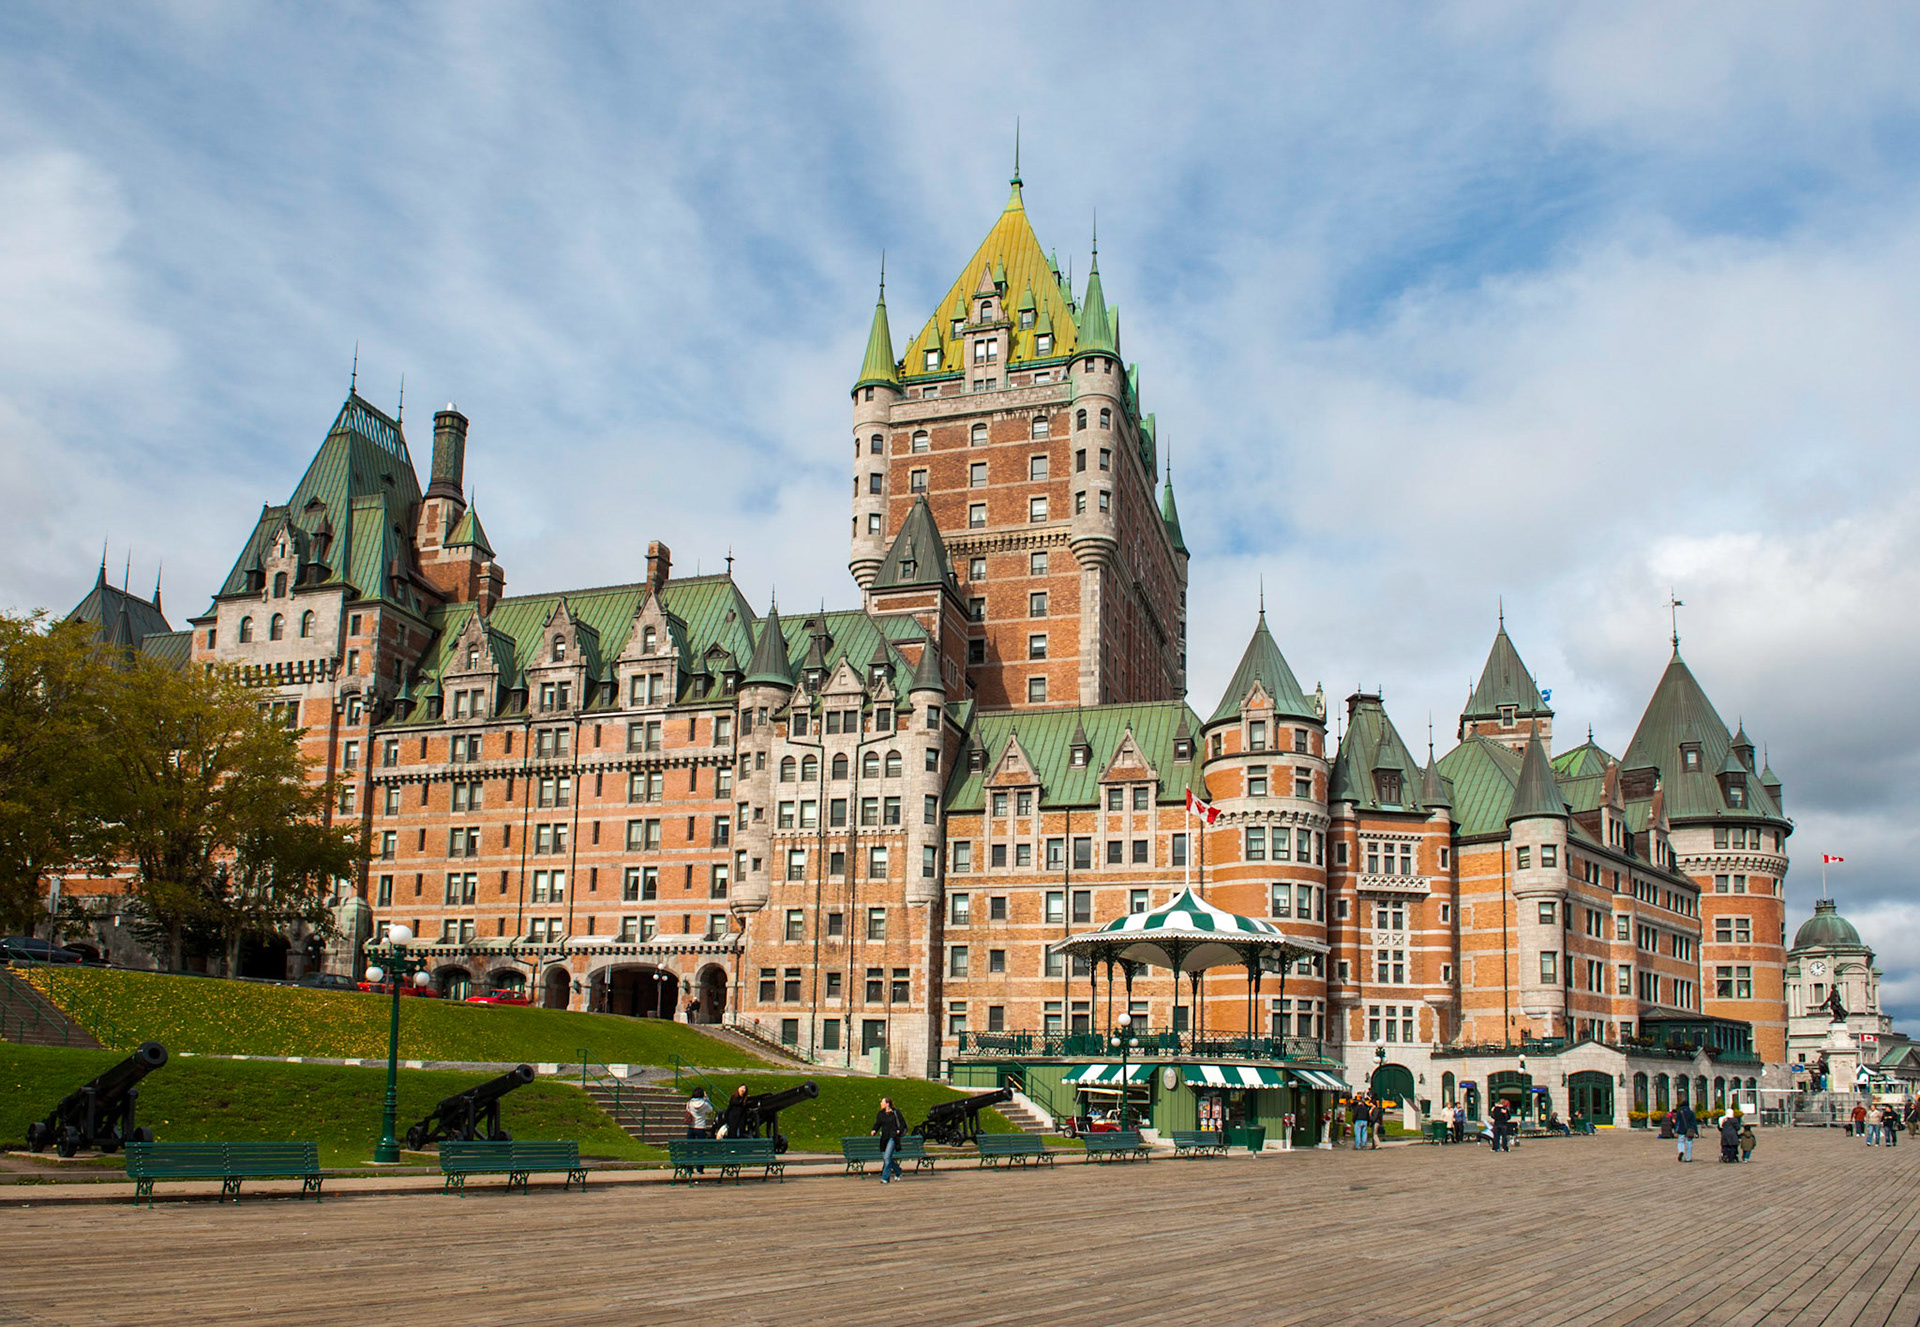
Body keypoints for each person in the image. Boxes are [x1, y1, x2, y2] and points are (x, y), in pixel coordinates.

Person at [872, 1096, 908, 1183]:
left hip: (893, 1137)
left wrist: (898, 1131)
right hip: (884, 1138)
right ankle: (898, 1171)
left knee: (887, 1157)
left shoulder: (895, 1113)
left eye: (882, 1102)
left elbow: (902, 1124)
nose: (881, 1104)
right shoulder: (881, 1114)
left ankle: (885, 1178)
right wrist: (874, 1130)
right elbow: (878, 1124)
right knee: (887, 1158)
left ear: (887, 1104)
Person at [684, 1087, 715, 1173]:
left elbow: (687, 1110)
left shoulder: (689, 1103)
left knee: (690, 1148)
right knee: (700, 1149)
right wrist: (706, 1098)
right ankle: (700, 1168)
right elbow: (710, 1110)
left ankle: (689, 1168)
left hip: (691, 1126)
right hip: (701, 1127)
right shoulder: (704, 1104)